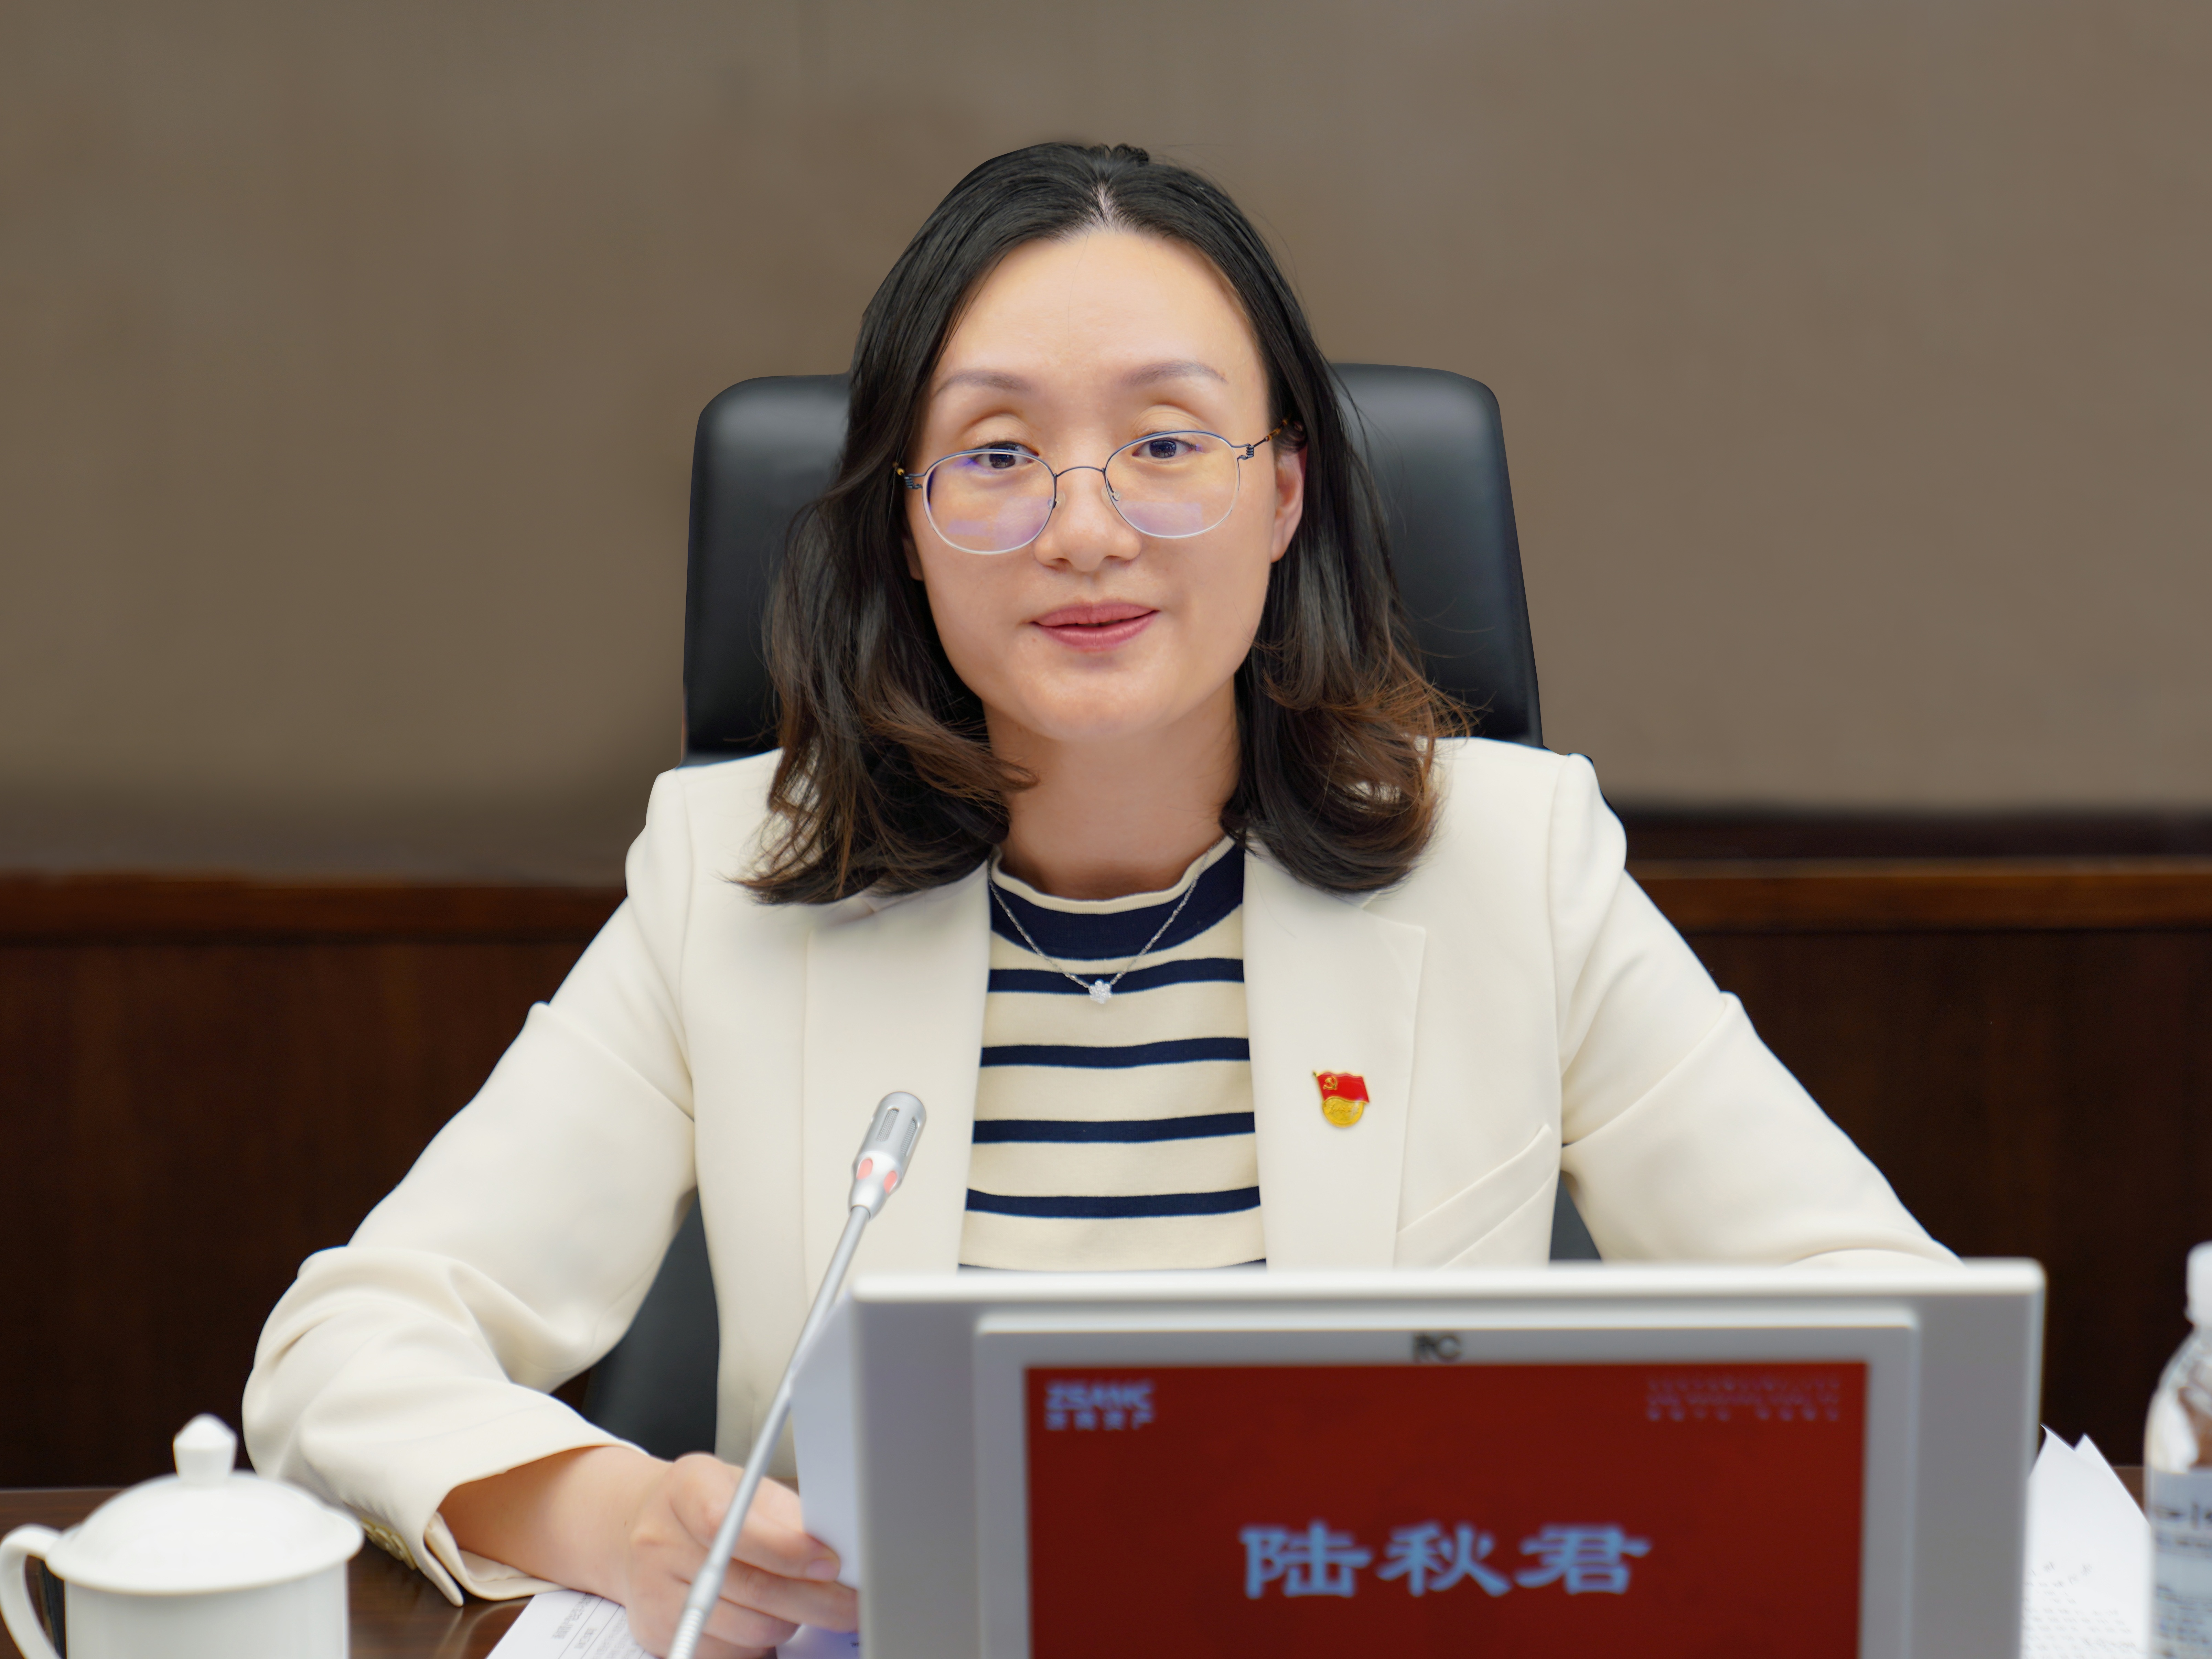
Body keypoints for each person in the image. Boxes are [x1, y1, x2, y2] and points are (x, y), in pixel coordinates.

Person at [244, 142, 1949, 1657]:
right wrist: (622, 1519)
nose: (1086, 529)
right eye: (995, 454)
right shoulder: (731, 880)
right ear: (907, 530)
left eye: (1166, 441)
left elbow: (1890, 1333)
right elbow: (348, 1345)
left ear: (1283, 494)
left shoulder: (1512, 859)